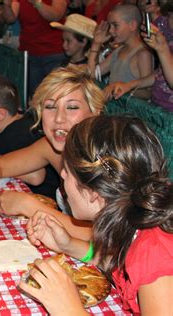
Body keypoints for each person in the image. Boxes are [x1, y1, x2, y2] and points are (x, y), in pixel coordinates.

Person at [21, 116, 172, 315]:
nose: (63, 175)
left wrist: (68, 309)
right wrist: (68, 245)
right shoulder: (133, 221)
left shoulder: (153, 253)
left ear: (94, 193)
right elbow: (117, 265)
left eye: (68, 171)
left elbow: (144, 266)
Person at [0, 65, 105, 240]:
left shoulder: (104, 160)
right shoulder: (51, 147)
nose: (58, 118)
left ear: (95, 112)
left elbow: (101, 238)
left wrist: (30, 206)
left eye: (72, 107)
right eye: (50, 107)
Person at [109, 1, 172, 111]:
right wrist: (130, 85)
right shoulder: (164, 24)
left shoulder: (143, 53)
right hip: (156, 108)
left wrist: (163, 50)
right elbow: (161, 73)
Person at [2, 0, 67, 98]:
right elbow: (10, 19)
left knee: (56, 95)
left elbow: (56, 15)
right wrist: (7, 5)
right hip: (30, 53)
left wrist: (37, 2)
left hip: (54, 52)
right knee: (34, 97)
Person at [88, 4, 154, 100]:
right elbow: (92, 74)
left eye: (115, 25)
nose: (110, 30)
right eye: (110, 26)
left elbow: (147, 93)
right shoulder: (118, 51)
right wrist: (96, 44)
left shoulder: (143, 53)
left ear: (132, 25)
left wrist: (120, 88)